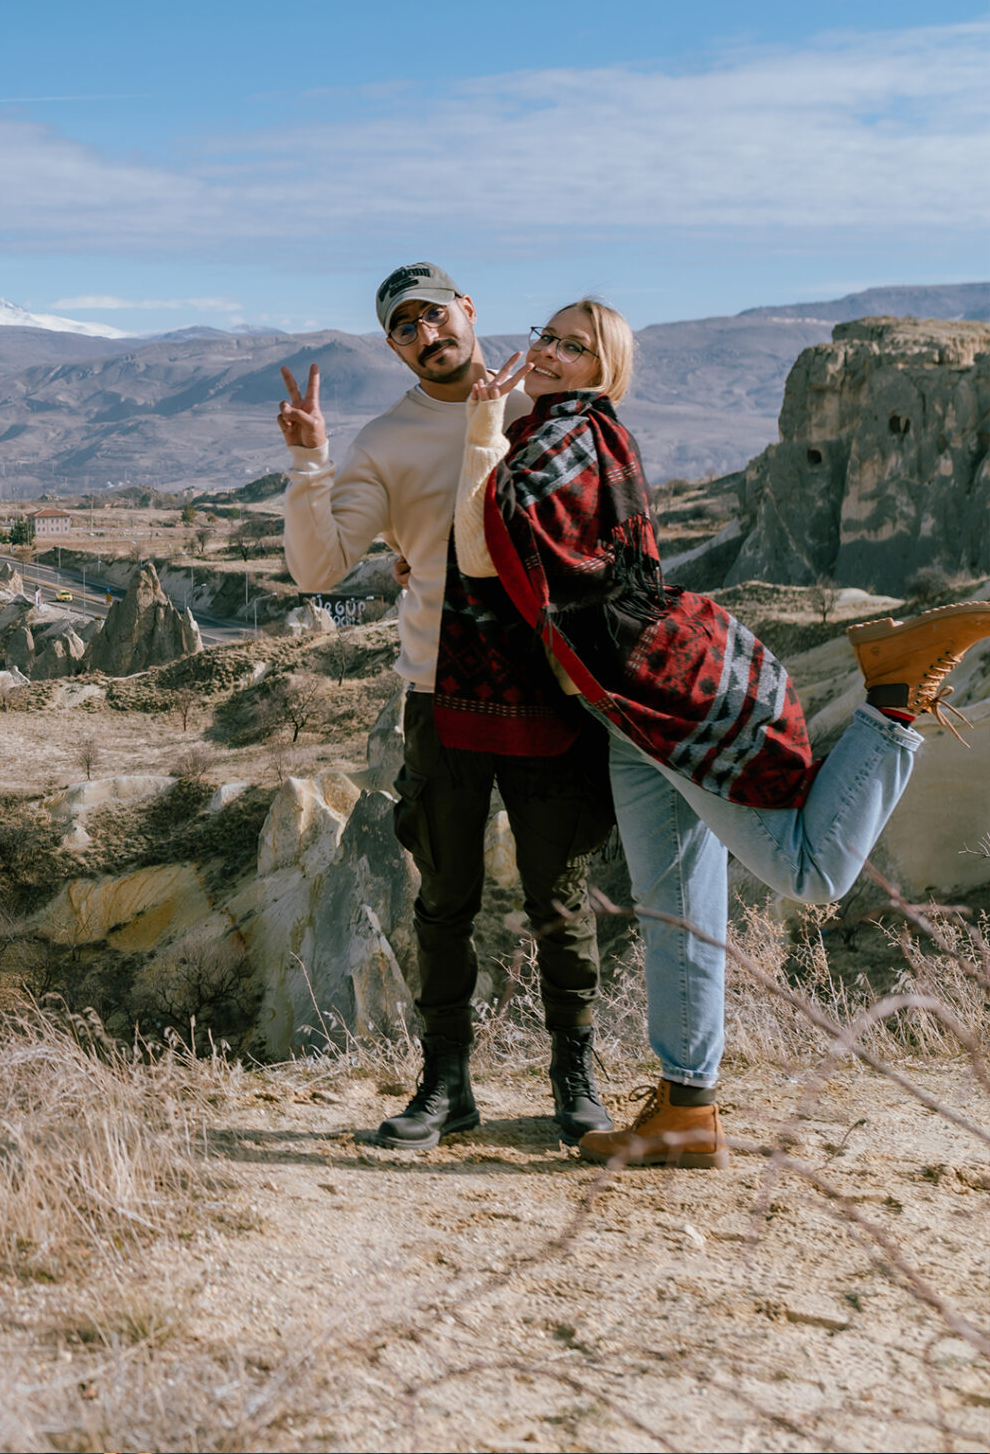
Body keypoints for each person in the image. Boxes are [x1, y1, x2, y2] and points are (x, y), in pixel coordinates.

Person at [451, 299, 990, 1168]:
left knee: (808, 872)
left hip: (655, 687)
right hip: (627, 701)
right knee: (678, 910)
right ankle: (685, 1108)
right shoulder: (577, 428)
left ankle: (890, 699)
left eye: (573, 345)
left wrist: (486, 417)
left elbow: (488, 540)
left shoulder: (562, 438)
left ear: (604, 368)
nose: (549, 352)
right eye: (546, 337)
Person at [279, 262, 617, 1150]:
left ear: (468, 311)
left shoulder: (539, 402)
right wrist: (310, 458)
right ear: (393, 346)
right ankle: (445, 1086)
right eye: (406, 328)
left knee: (560, 896)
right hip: (440, 689)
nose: (428, 335)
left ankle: (575, 1082)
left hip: (549, 688)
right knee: (444, 902)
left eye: (437, 315)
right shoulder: (386, 442)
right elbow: (318, 570)